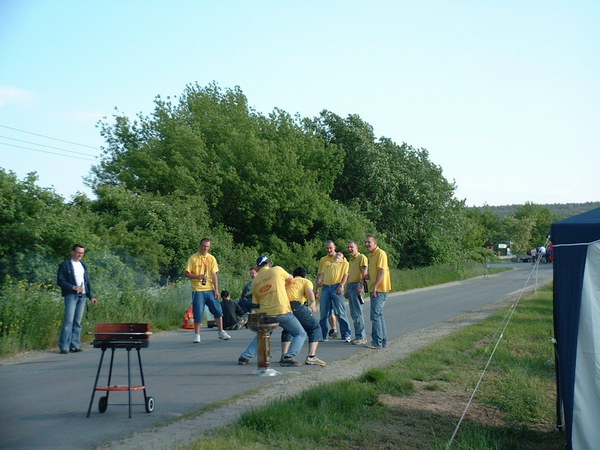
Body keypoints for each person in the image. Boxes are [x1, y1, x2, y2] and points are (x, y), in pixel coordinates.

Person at [238, 256, 306, 367]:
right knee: (300, 333)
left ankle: (245, 356)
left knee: (263, 334)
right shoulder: (277, 270)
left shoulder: (255, 281)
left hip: (265, 313)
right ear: (269, 264)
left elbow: (256, 301)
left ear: (258, 267)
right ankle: (288, 356)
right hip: (282, 310)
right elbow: (291, 278)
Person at [184, 238, 231, 343]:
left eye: (208, 246)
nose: (205, 248)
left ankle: (221, 331)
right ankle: (197, 335)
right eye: (204, 246)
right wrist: (197, 276)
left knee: (218, 310)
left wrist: (217, 289)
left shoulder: (211, 258)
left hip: (210, 289)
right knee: (198, 311)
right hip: (198, 289)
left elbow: (214, 274)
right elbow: (186, 273)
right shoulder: (193, 258)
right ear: (200, 245)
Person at [57, 244, 98, 354]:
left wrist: (91, 296)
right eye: (78, 252)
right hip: (71, 295)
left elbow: (87, 282)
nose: (80, 254)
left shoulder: (83, 265)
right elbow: (60, 281)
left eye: (82, 253)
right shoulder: (65, 265)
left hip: (83, 295)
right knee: (68, 321)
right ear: (72, 252)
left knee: (78, 321)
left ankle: (74, 345)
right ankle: (64, 346)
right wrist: (73, 287)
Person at [282, 267, 326, 366]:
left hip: (284, 307)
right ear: (304, 275)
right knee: (314, 327)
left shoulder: (287, 282)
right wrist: (313, 301)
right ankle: (311, 357)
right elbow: (309, 291)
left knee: (288, 329)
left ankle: (284, 355)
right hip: (296, 306)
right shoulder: (305, 281)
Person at [315, 242, 352, 342]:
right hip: (326, 287)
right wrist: (318, 285)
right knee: (324, 313)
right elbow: (321, 274)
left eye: (331, 248)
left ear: (334, 247)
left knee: (341, 312)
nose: (329, 250)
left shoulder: (344, 262)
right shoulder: (325, 261)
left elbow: (345, 275)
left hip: (337, 286)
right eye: (327, 248)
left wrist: (341, 286)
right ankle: (323, 335)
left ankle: (346, 334)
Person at [364, 234, 391, 349]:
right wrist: (369, 276)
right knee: (379, 315)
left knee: (375, 315)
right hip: (375, 288)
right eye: (365, 242)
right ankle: (383, 341)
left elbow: (382, 271)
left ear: (375, 243)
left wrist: (375, 286)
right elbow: (376, 272)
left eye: (369, 242)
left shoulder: (381, 253)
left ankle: (377, 342)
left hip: (379, 289)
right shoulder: (371, 256)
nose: (367, 244)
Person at [345, 240, 368, 345]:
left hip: (357, 285)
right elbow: (349, 275)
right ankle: (358, 335)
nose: (350, 249)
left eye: (351, 247)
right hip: (350, 286)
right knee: (354, 313)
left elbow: (364, 273)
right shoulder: (351, 260)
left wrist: (362, 286)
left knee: (358, 312)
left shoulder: (361, 257)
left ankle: (362, 337)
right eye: (348, 247)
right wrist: (346, 289)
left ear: (357, 247)